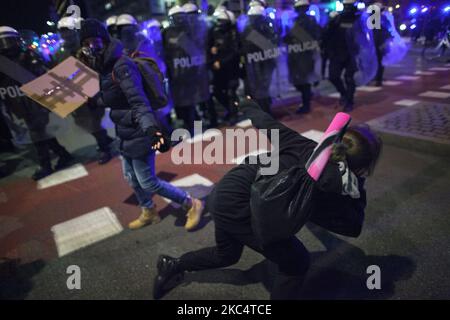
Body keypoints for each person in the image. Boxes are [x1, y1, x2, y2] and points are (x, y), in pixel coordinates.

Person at [153, 98, 382, 299]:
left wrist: (247, 104)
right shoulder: (334, 188)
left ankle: (173, 265)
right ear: (360, 168)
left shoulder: (306, 146)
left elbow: (266, 123)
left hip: (228, 190)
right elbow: (353, 226)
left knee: (227, 254)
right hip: (243, 206)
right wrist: (358, 186)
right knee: (296, 261)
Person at [78, 19, 204, 231]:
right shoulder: (103, 68)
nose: (92, 48)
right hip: (125, 130)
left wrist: (151, 130)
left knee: (148, 182)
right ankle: (149, 210)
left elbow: (138, 101)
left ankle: (191, 203)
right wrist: (95, 100)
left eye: (96, 42)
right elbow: (114, 98)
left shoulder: (121, 66)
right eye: (87, 43)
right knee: (130, 177)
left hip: (140, 129)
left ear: (105, 41)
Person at [0, 26, 73, 180]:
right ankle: (63, 154)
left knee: (36, 133)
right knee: (40, 133)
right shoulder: (3, 63)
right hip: (19, 104)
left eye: (7, 41)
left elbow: (41, 76)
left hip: (36, 103)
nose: (5, 46)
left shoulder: (27, 56)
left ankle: (45, 165)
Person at [55, 16, 114, 164]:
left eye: (69, 31)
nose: (66, 35)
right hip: (76, 94)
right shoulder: (60, 54)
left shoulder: (90, 49)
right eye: (63, 32)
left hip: (93, 93)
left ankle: (104, 148)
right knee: (84, 122)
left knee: (94, 122)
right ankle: (105, 139)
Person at [162, 5, 210, 134]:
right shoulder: (167, 33)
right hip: (181, 72)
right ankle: (194, 125)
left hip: (184, 71)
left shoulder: (188, 31)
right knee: (188, 102)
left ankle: (195, 126)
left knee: (190, 101)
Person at [240, 3, 278, 115]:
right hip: (260, 61)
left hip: (261, 61)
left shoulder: (252, 28)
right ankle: (265, 109)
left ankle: (265, 110)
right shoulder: (263, 27)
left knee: (261, 86)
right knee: (262, 86)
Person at [285, 0, 322, 114]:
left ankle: (306, 105)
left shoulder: (306, 21)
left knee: (303, 82)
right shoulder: (296, 21)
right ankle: (307, 96)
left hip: (304, 55)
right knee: (300, 82)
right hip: (299, 55)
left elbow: (317, 36)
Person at [322, 0, 359, 112]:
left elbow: (364, 37)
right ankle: (344, 94)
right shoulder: (337, 19)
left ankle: (349, 101)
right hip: (337, 53)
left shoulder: (359, 19)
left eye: (349, 5)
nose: (347, 8)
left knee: (349, 78)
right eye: (346, 5)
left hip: (352, 54)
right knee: (333, 76)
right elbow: (327, 34)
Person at [210, 8, 240, 125]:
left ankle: (234, 114)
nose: (219, 23)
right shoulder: (215, 32)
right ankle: (230, 109)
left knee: (231, 92)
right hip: (219, 70)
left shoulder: (234, 33)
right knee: (217, 92)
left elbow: (234, 52)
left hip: (231, 67)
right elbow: (211, 47)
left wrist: (220, 62)